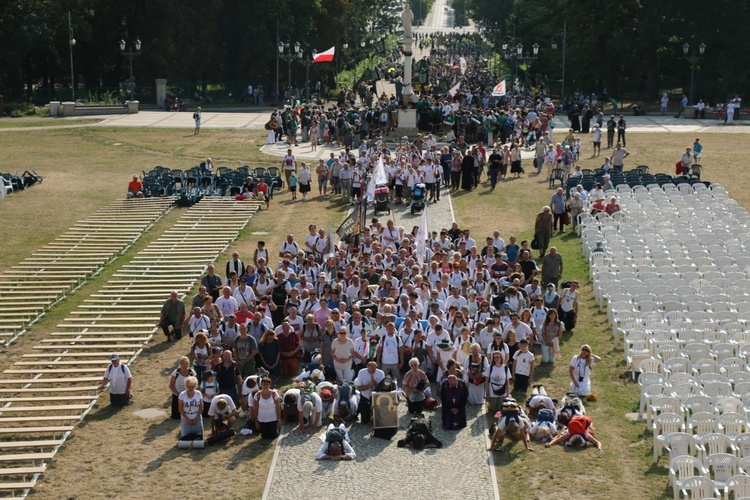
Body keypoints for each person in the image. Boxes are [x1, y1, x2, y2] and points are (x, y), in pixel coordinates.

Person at [485, 350, 511, 415]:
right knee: (492, 409)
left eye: (498, 357)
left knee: (500, 409)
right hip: (493, 390)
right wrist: (487, 393)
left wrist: (508, 394)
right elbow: (486, 381)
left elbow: (507, 382)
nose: (497, 359)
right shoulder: (490, 368)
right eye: (495, 357)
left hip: (502, 391)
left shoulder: (505, 368)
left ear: (501, 358)